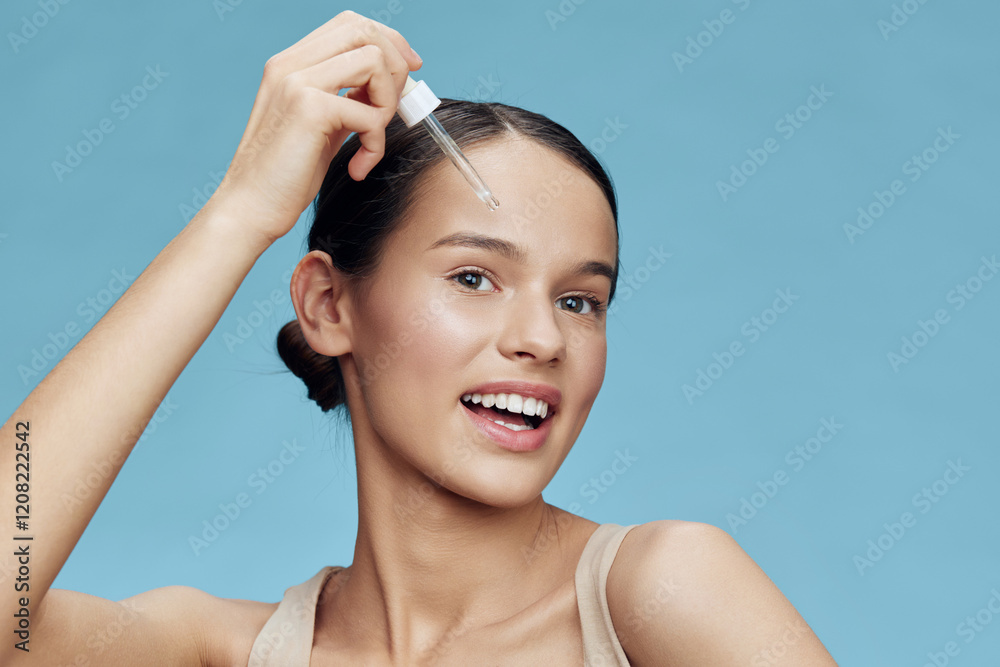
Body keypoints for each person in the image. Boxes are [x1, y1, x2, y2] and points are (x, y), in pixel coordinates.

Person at [0, 10, 839, 666]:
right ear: (329, 304)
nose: (543, 336)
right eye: (474, 277)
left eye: (582, 300)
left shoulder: (661, 590)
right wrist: (241, 213)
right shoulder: (217, 648)